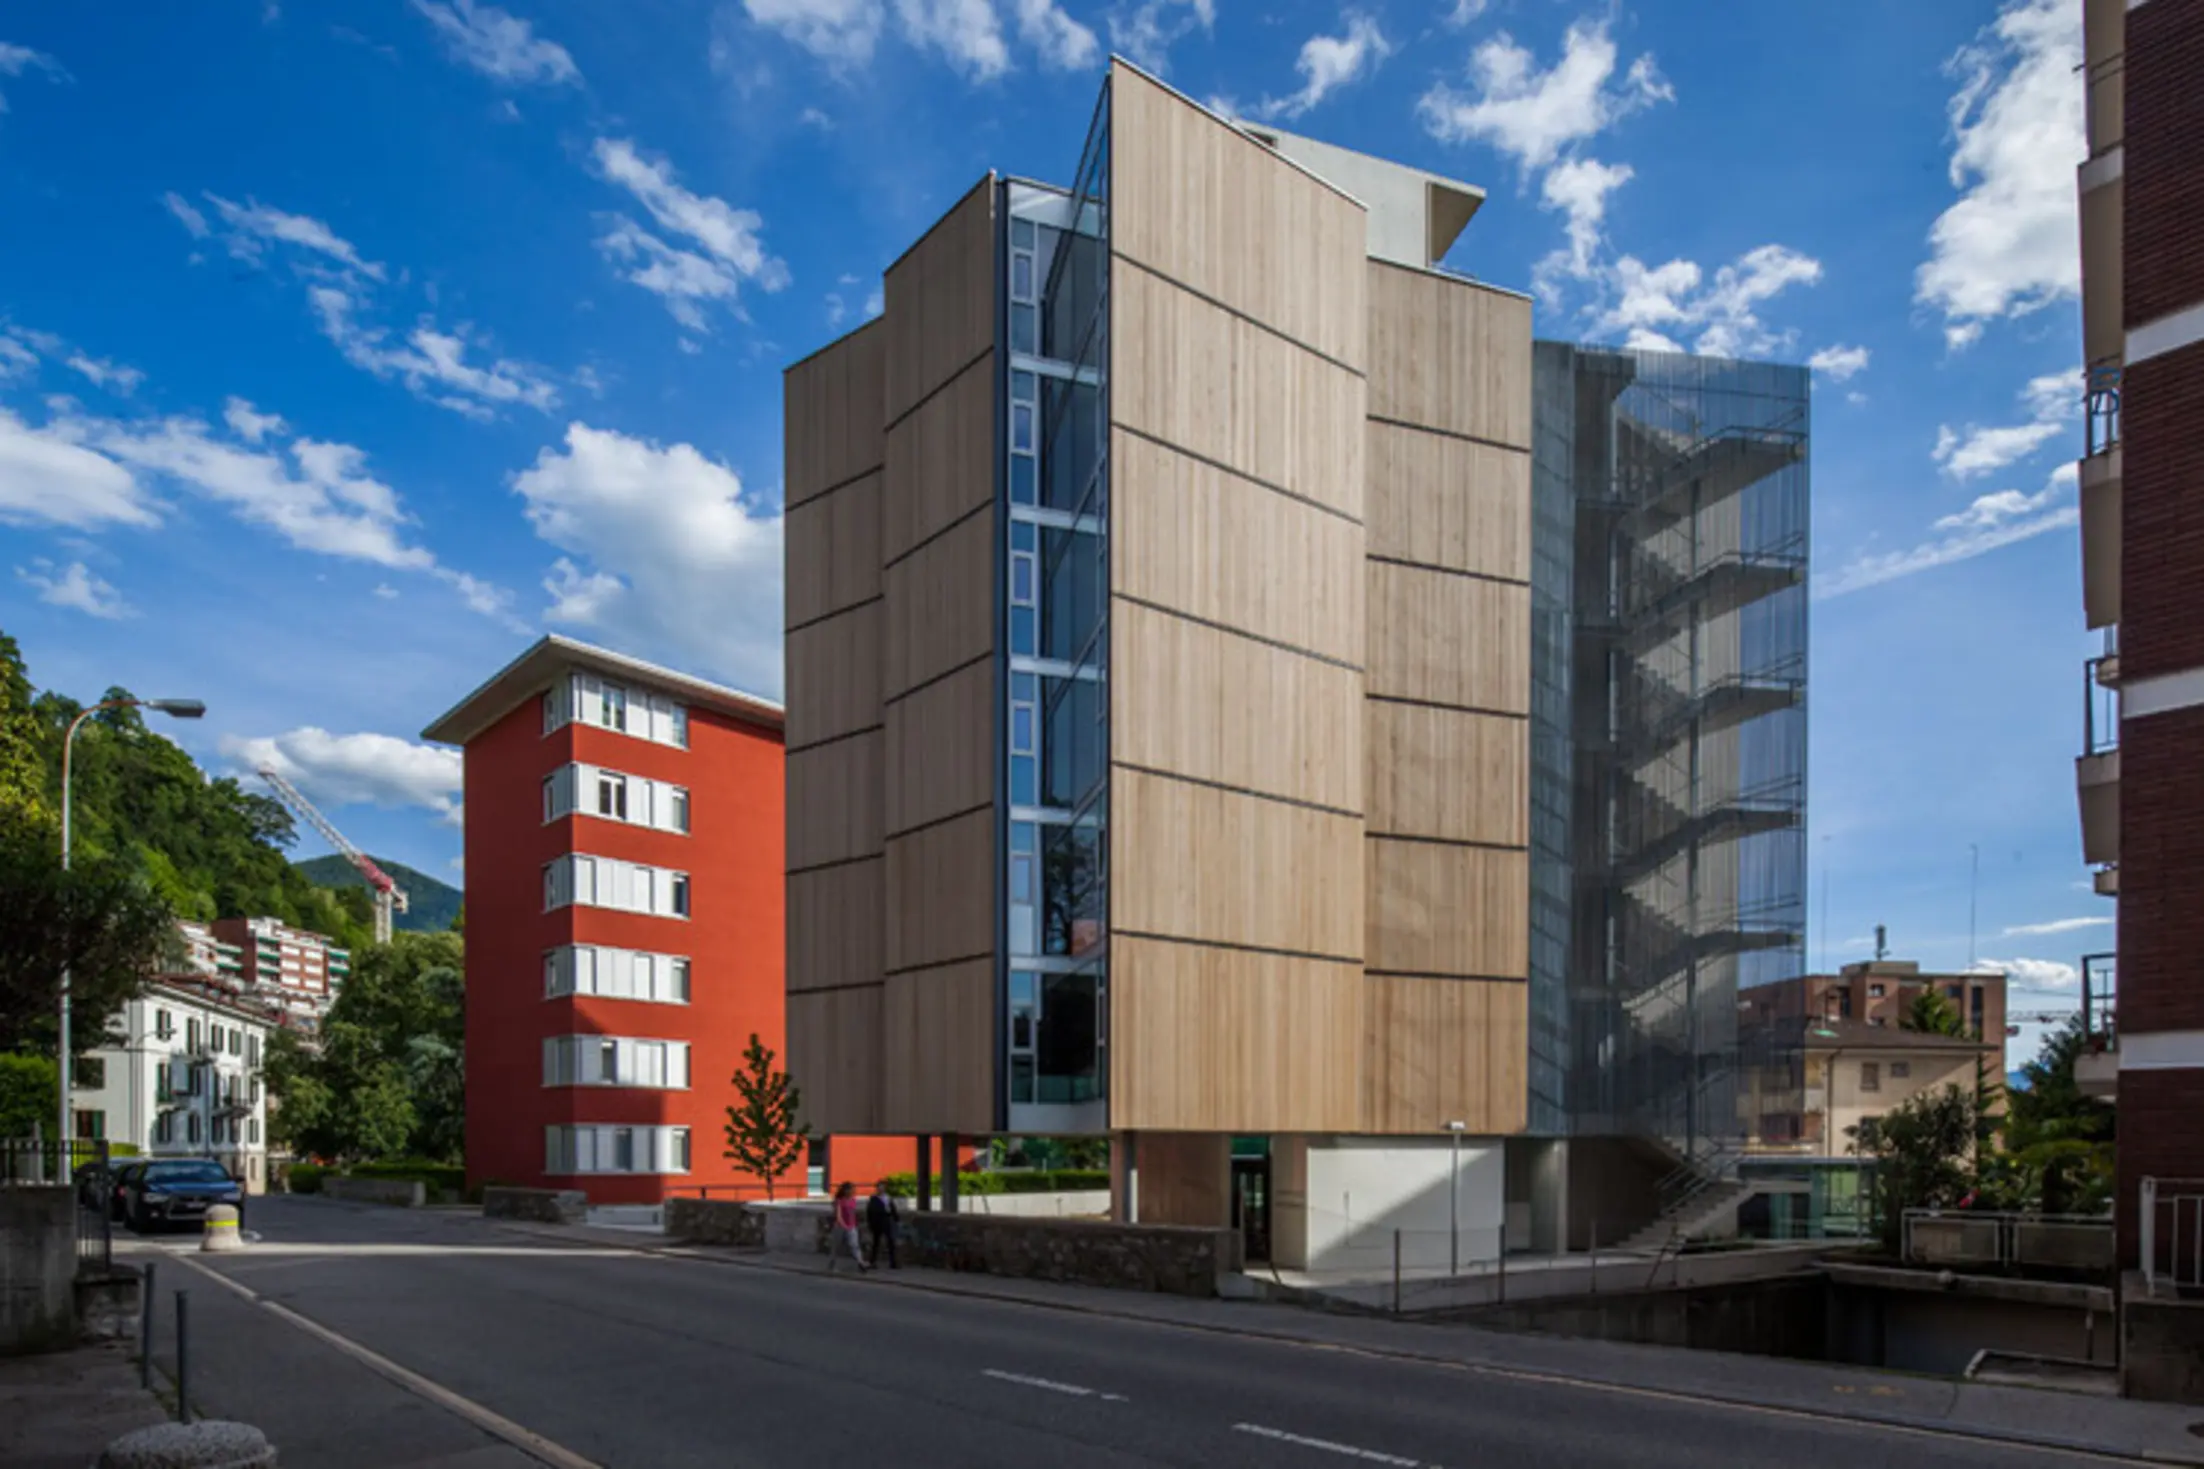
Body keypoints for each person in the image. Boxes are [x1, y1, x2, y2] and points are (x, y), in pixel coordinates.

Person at [828, 1181, 869, 1273]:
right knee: (836, 1247)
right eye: (850, 1190)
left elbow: (853, 1213)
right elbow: (838, 1216)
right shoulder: (839, 1201)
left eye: (852, 1190)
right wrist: (844, 1226)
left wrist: (854, 1225)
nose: (852, 1192)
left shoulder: (853, 1200)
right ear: (845, 1190)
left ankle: (860, 1262)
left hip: (852, 1225)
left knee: (854, 1245)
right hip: (840, 1227)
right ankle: (832, 1264)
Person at [866, 1179, 900, 1269]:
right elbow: (869, 1212)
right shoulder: (873, 1199)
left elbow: (893, 1209)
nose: (881, 1189)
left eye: (883, 1187)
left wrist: (896, 1218)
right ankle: (872, 1261)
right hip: (877, 1222)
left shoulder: (888, 1198)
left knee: (890, 1241)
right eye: (879, 1187)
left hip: (886, 1220)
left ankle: (893, 1262)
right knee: (876, 1243)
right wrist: (870, 1223)